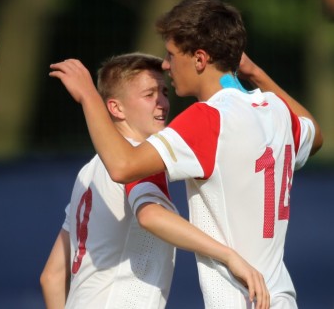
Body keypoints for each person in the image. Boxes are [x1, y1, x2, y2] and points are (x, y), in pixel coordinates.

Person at [50, 0, 322, 309]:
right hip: (280, 297)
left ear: (200, 59)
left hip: (238, 298)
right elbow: (314, 136)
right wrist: (256, 72)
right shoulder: (276, 109)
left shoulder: (207, 118)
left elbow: (123, 166)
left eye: (171, 54)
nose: (166, 65)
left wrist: (88, 96)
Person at [41, 53, 269, 309]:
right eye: (149, 95)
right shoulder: (136, 158)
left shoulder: (88, 173)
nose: (161, 102)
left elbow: (52, 276)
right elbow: (150, 216)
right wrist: (229, 256)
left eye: (164, 92)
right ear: (116, 108)